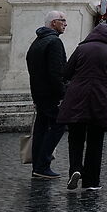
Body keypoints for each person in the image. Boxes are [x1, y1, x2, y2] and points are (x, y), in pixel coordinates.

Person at [58, 19, 107, 191]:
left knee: (75, 137)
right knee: (96, 140)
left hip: (77, 97)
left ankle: (75, 169)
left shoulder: (81, 48)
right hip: (101, 99)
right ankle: (92, 182)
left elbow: (66, 72)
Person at [26, 12, 70, 179]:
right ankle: (43, 164)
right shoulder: (54, 42)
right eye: (63, 20)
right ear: (53, 23)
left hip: (39, 94)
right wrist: (62, 94)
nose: (65, 24)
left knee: (41, 129)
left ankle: (38, 166)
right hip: (51, 95)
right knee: (58, 126)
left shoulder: (37, 42)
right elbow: (56, 72)